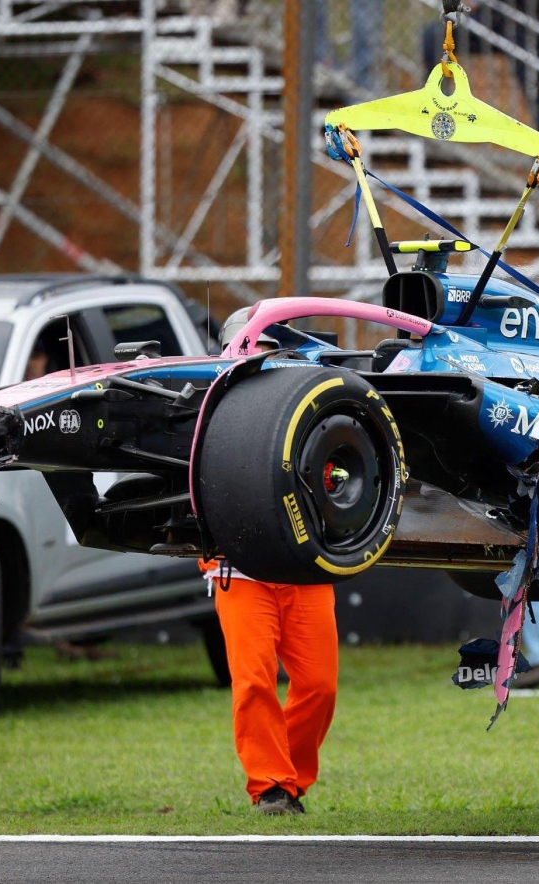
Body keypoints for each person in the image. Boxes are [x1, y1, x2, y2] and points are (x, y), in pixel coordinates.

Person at [200, 309, 340, 816]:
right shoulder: (210, 401)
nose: (260, 356)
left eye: (268, 348)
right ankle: (271, 787)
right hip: (239, 569)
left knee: (320, 686)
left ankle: (293, 780)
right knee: (254, 679)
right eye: (250, 346)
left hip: (304, 564)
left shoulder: (314, 401)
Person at [420, 0, 539, 137]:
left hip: (528, 24)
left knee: (534, 83)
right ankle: (439, 107)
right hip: (494, 19)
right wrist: (475, 0)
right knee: (434, 34)